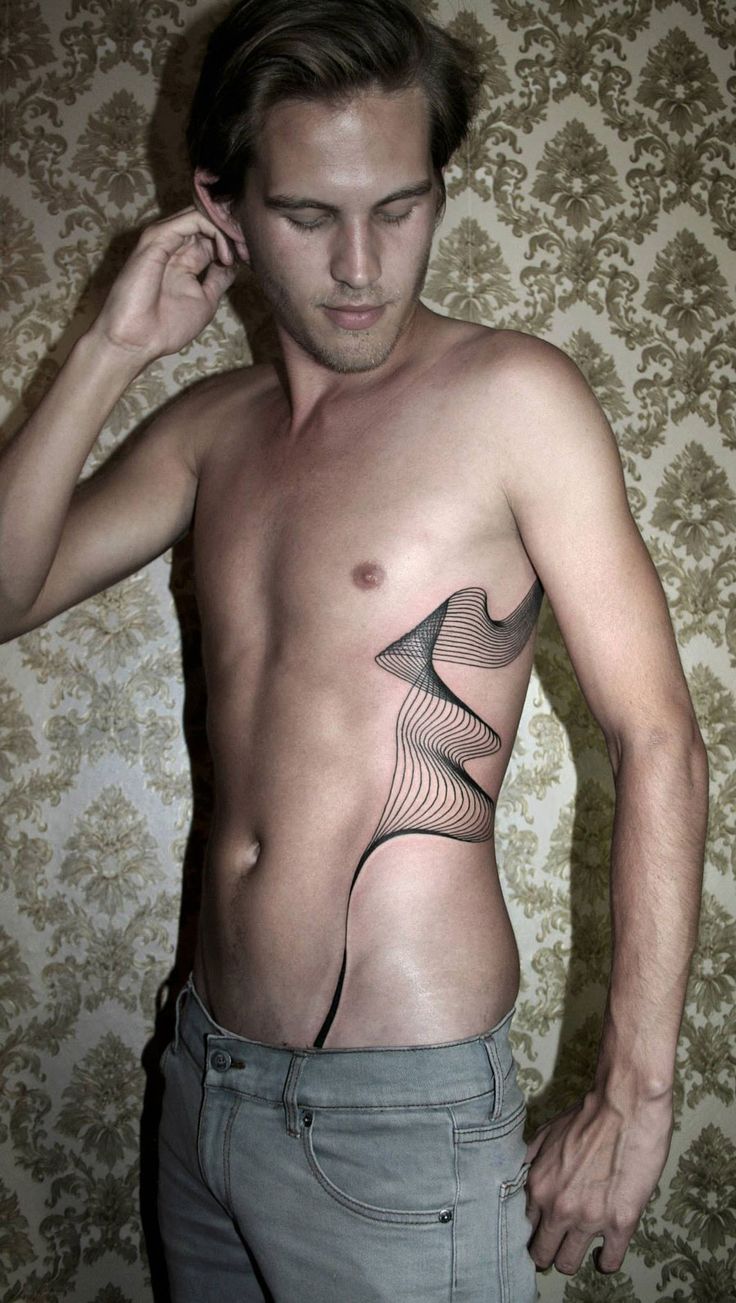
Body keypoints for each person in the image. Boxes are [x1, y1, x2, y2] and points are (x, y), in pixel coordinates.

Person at [0, 1, 708, 1299]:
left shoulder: (513, 400)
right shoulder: (210, 431)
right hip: (203, 1075)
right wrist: (110, 347)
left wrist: (635, 1094)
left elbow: (658, 734)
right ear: (221, 207)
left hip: (399, 1116)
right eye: (307, 215)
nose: (362, 264)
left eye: (400, 205)